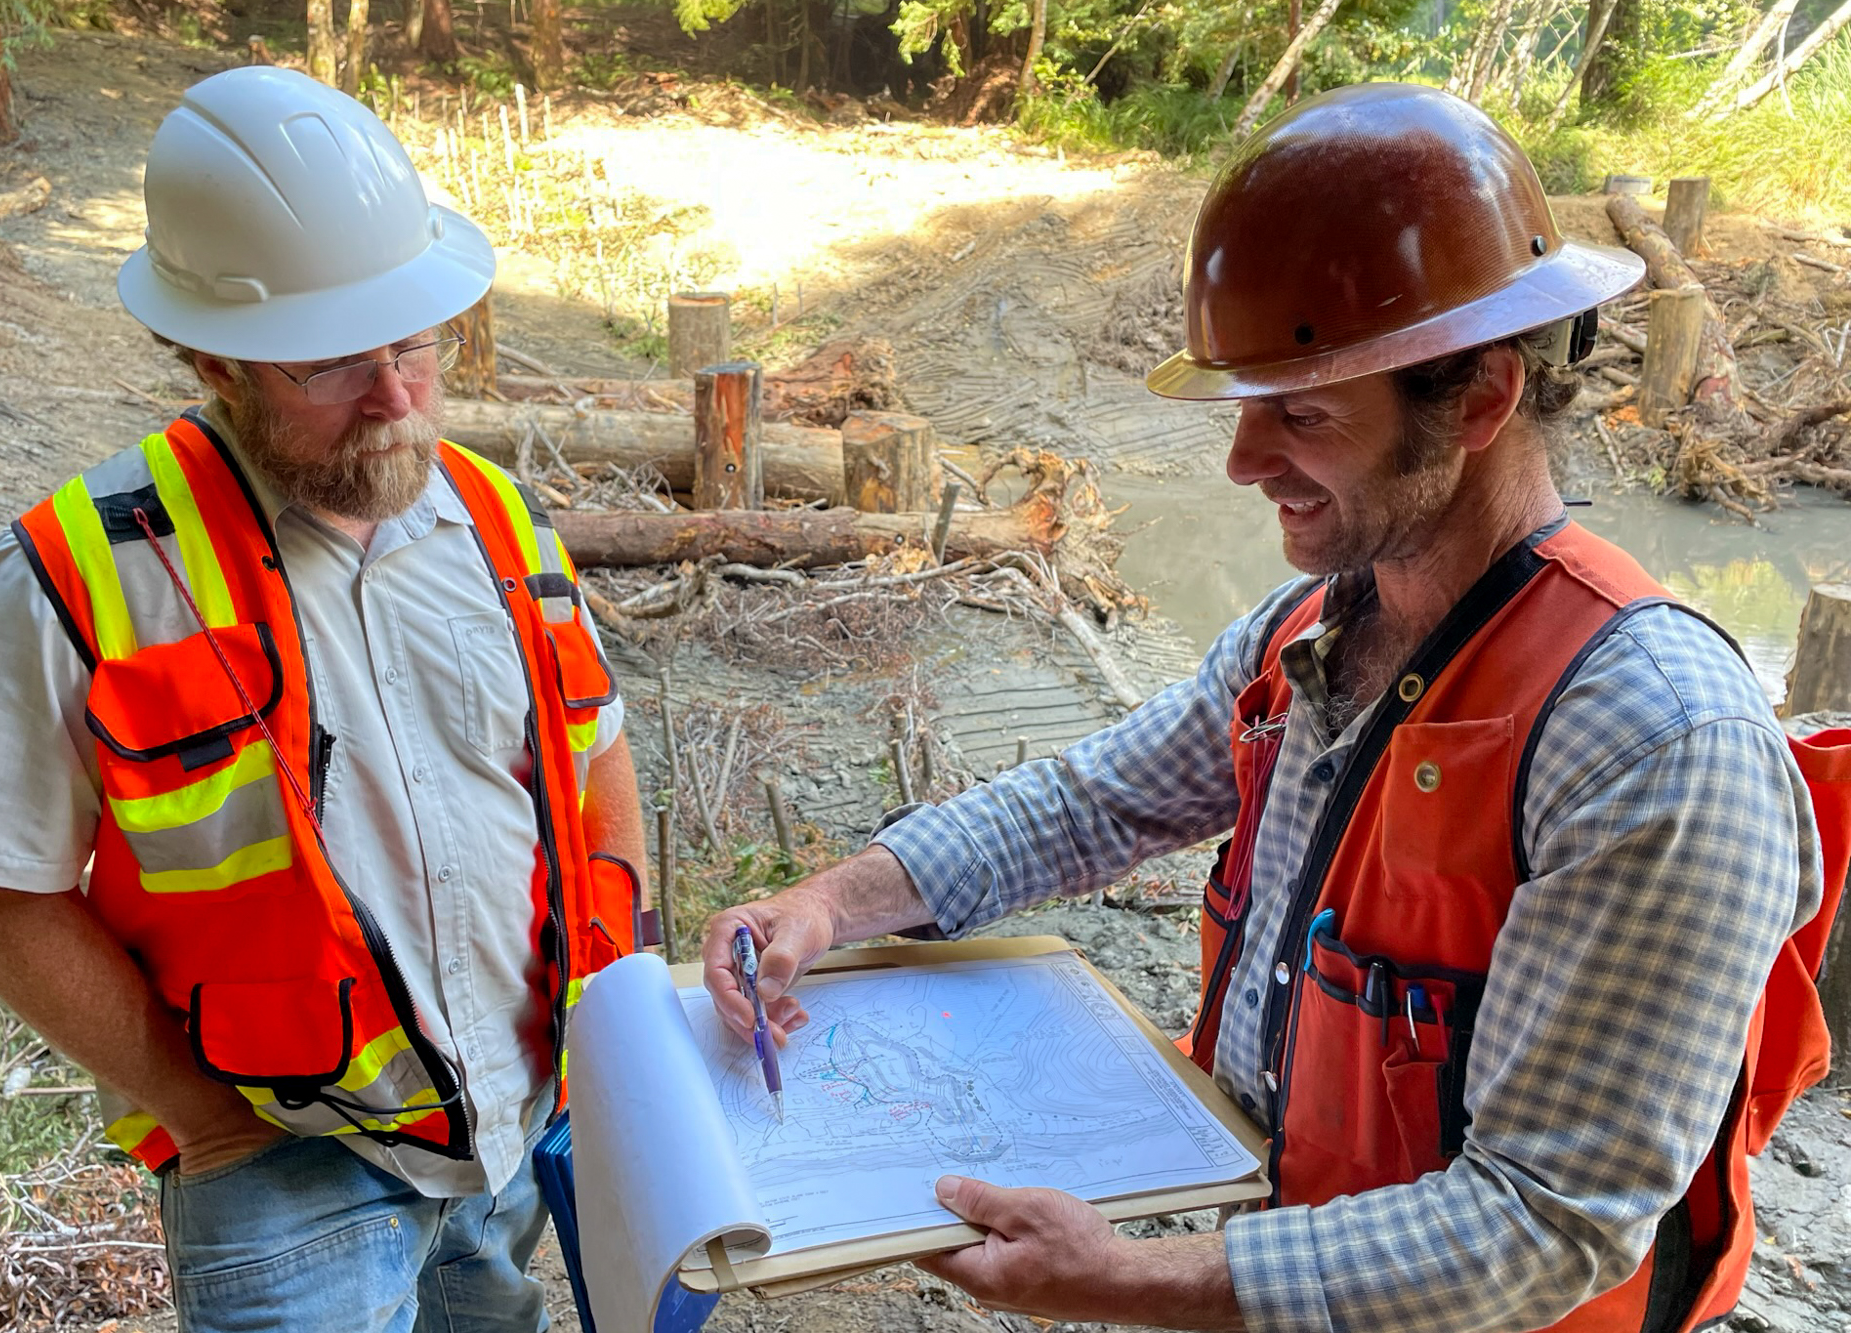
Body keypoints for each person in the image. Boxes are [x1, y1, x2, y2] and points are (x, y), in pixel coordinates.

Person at [703, 84, 1844, 1333]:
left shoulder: (1650, 744)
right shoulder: (1310, 631)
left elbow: (1545, 1216)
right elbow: (1091, 802)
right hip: (1295, 1268)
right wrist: (827, 900)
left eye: (1298, 412)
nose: (1243, 464)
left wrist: (1123, 1279)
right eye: (1243, 405)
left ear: (1475, 401)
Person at [0, 67, 650, 1333]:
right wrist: (206, 1120)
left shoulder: (491, 516)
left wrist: (614, 1010)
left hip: (512, 1123)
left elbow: (594, 759)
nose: (394, 396)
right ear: (214, 353)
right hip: (279, 1156)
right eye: (331, 363)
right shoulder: (78, 575)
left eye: (415, 342)